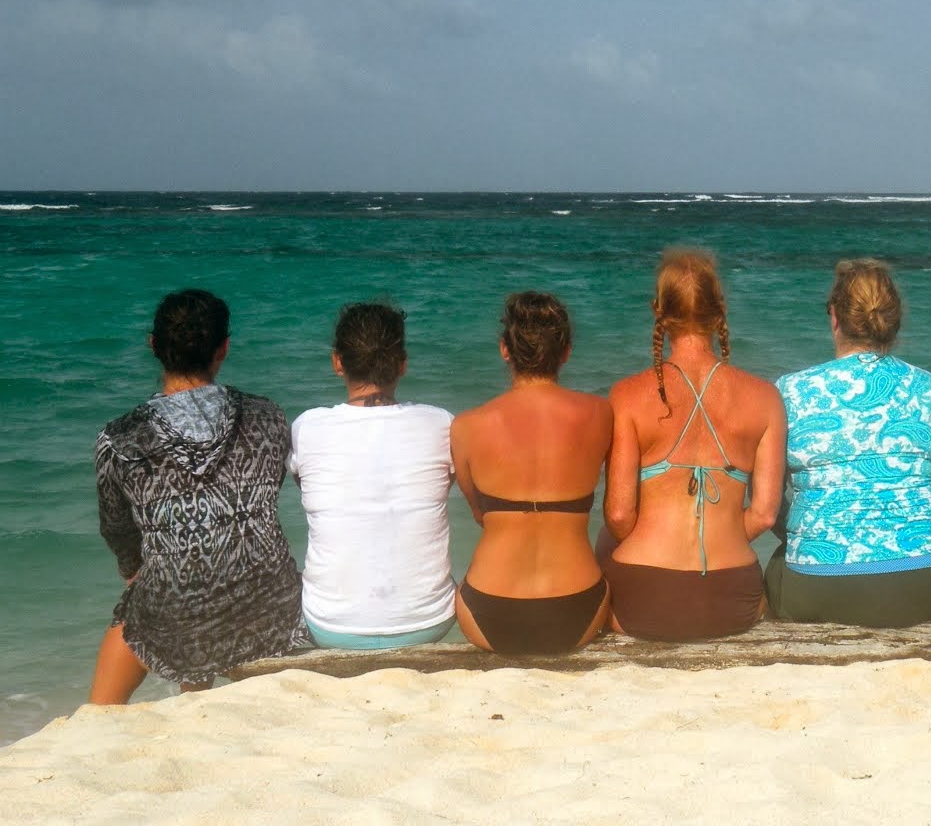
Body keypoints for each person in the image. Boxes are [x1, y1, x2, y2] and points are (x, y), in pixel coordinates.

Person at [90, 290, 309, 704]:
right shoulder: (269, 416)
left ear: (153, 345)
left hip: (176, 609)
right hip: (267, 602)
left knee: (138, 603)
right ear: (223, 348)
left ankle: (100, 714)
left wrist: (133, 567)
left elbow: (116, 527)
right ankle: (194, 690)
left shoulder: (119, 437)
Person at [766, 259, 931, 627]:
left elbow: (769, 500)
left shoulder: (792, 391)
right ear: (895, 320)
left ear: (834, 317)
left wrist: (806, 535)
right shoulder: (927, 386)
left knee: (777, 569)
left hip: (822, 584)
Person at [603, 250, 786, 639]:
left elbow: (619, 515)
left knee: (605, 544)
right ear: (720, 311)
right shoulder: (766, 398)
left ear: (658, 311)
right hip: (732, 597)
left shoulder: (627, 395)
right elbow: (766, 515)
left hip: (646, 596)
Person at [451, 292, 612, 655]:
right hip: (578, 607)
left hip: (486, 609)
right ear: (566, 351)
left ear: (504, 349)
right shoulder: (602, 414)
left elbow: (480, 515)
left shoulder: (465, 427)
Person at [289, 302, 456, 649]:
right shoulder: (442, 424)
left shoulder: (308, 427)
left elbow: (305, 485)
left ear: (338, 362)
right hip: (429, 620)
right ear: (402, 364)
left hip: (330, 625)